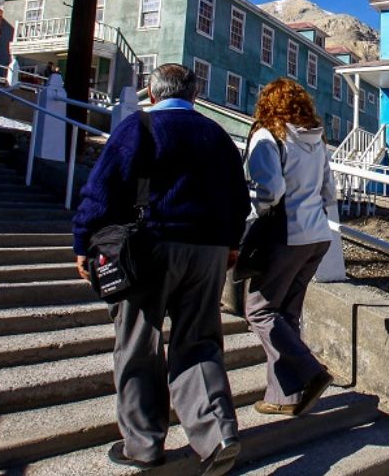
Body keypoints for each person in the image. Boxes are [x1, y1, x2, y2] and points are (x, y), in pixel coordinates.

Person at [73, 63, 248, 476]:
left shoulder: (140, 128)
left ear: (152, 93)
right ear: (194, 95)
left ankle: (144, 445)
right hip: (208, 250)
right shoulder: (217, 135)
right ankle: (218, 433)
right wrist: (231, 243)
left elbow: (101, 190)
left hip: (150, 246)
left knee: (138, 343)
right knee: (200, 340)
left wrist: (83, 241)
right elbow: (239, 198)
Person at [242, 77, 336, 417]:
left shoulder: (268, 136)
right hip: (318, 236)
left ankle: (310, 371)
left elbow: (270, 191)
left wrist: (255, 214)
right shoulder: (317, 139)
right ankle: (285, 396)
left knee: (259, 310)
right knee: (286, 315)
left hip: (286, 233)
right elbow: (330, 192)